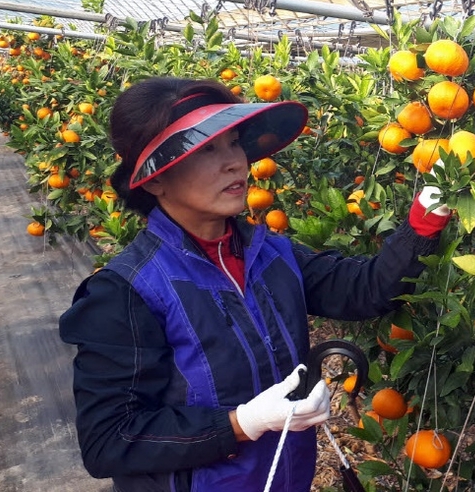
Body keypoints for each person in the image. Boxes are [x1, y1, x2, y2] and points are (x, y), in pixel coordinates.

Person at [59, 77, 450, 491]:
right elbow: (109, 440)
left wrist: (431, 210)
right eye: (206, 149)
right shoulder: (127, 291)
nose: (235, 163)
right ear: (155, 179)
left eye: (233, 143)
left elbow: (365, 289)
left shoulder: (272, 255)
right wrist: (240, 424)